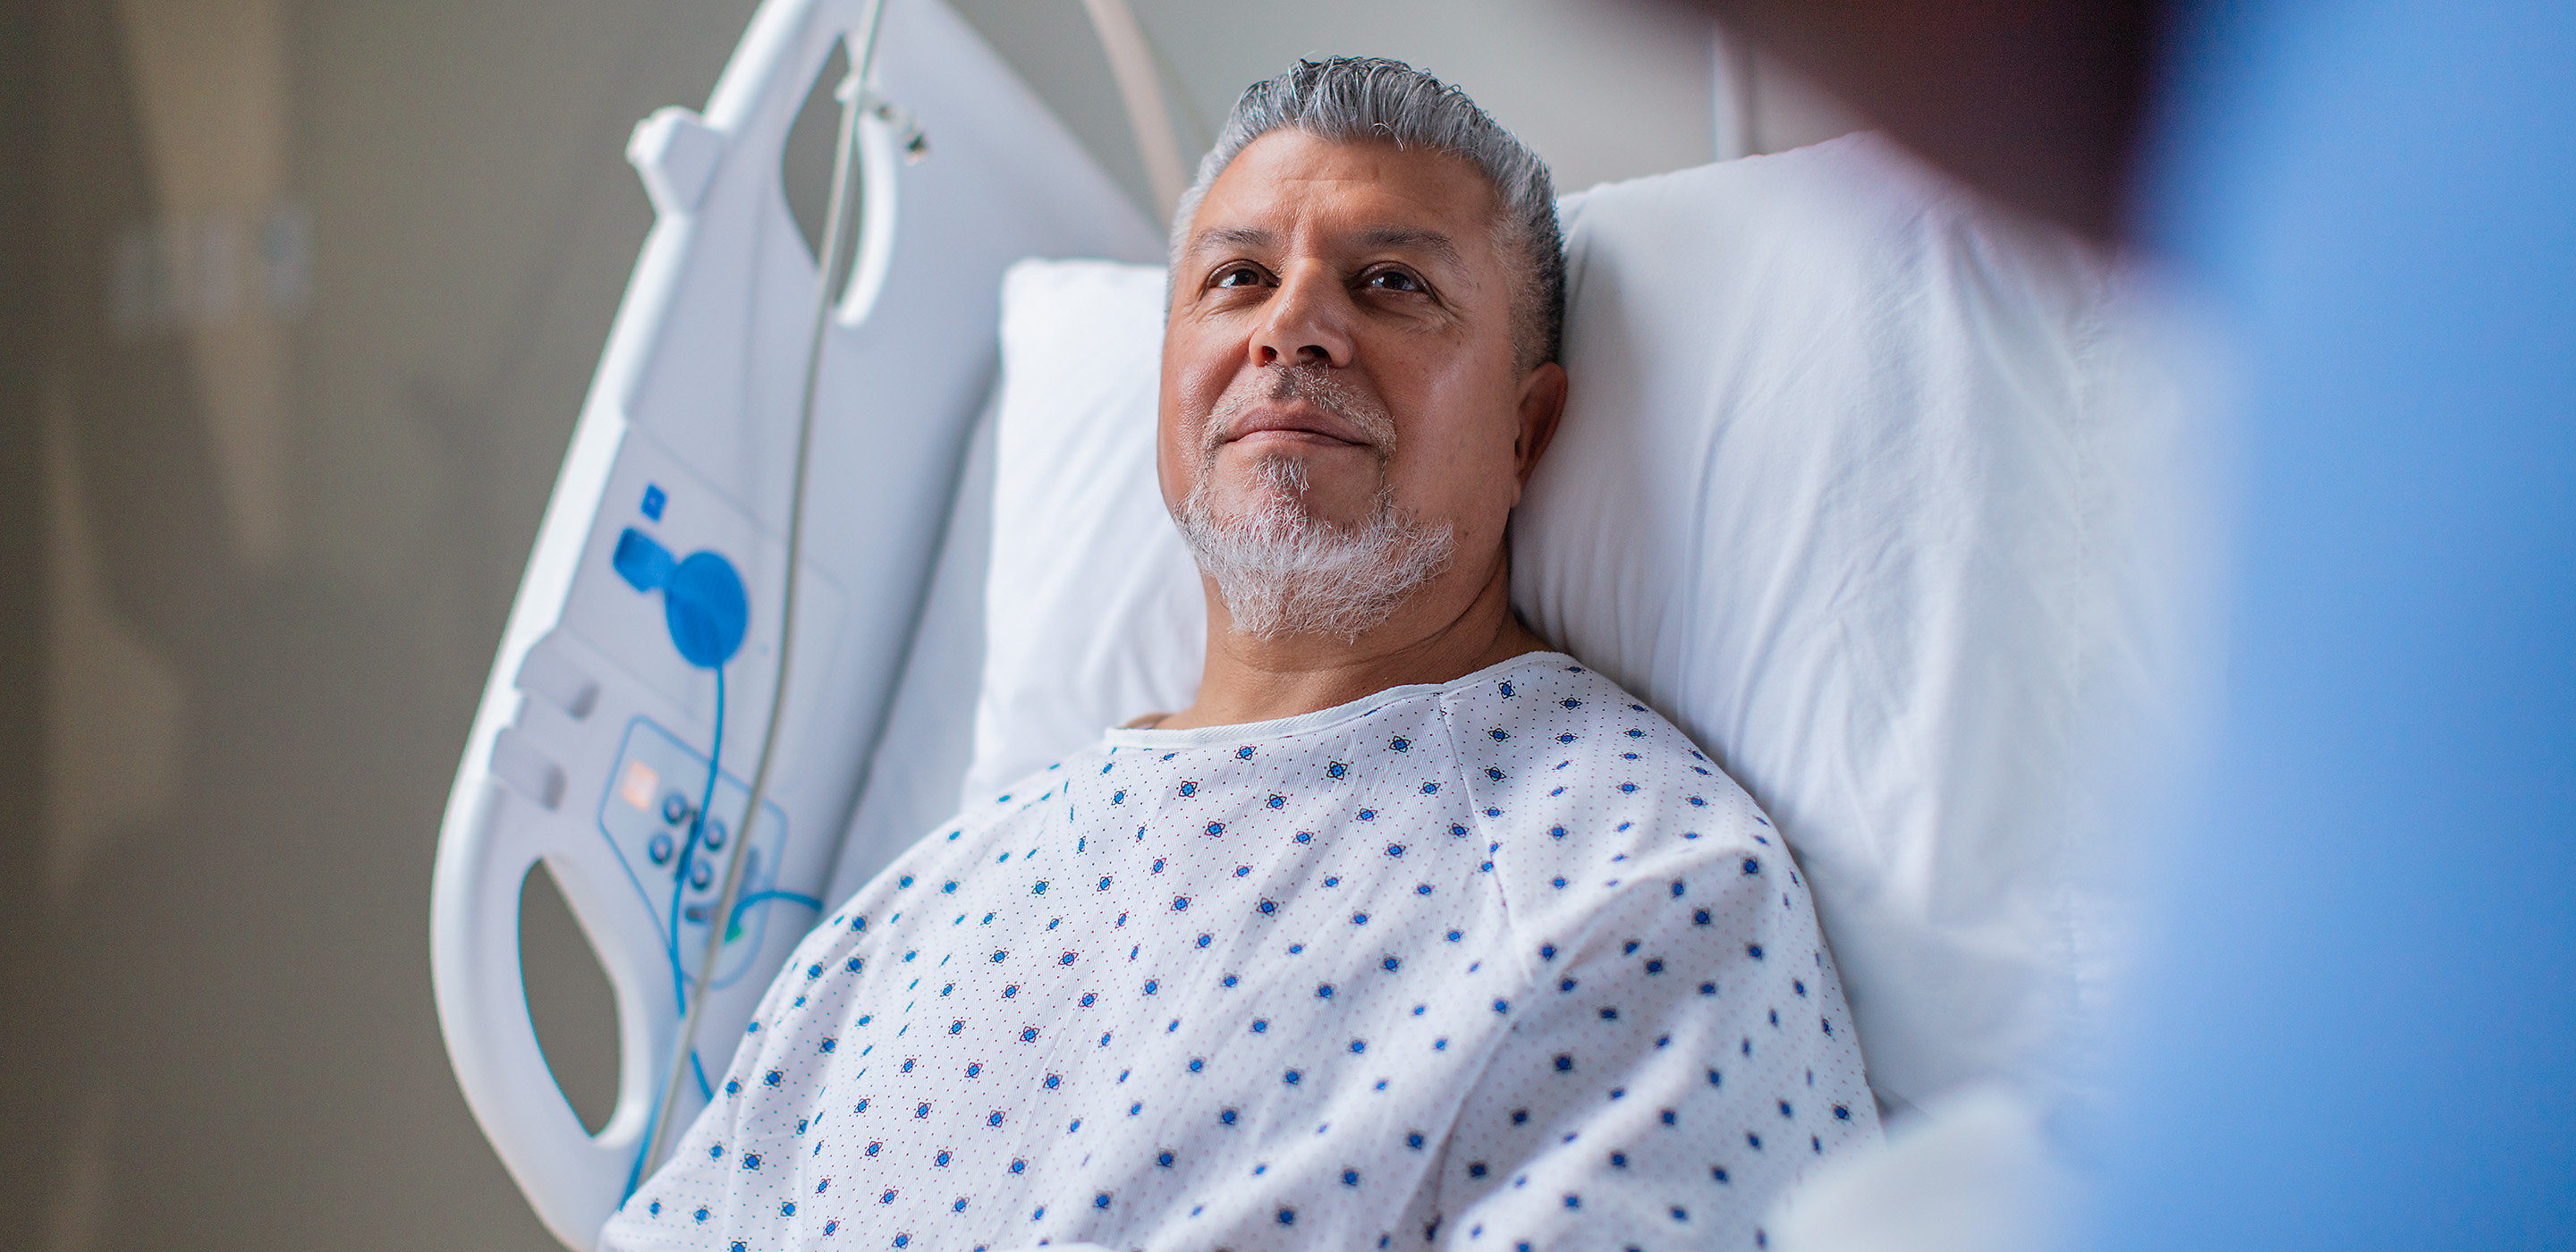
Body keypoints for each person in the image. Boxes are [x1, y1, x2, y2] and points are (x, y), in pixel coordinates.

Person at [601, 57, 1877, 1252]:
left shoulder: (1645, 885)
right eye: (1237, 280)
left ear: (1526, 432)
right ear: (1169, 385)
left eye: (1393, 284)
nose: (1295, 328)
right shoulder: (914, 913)